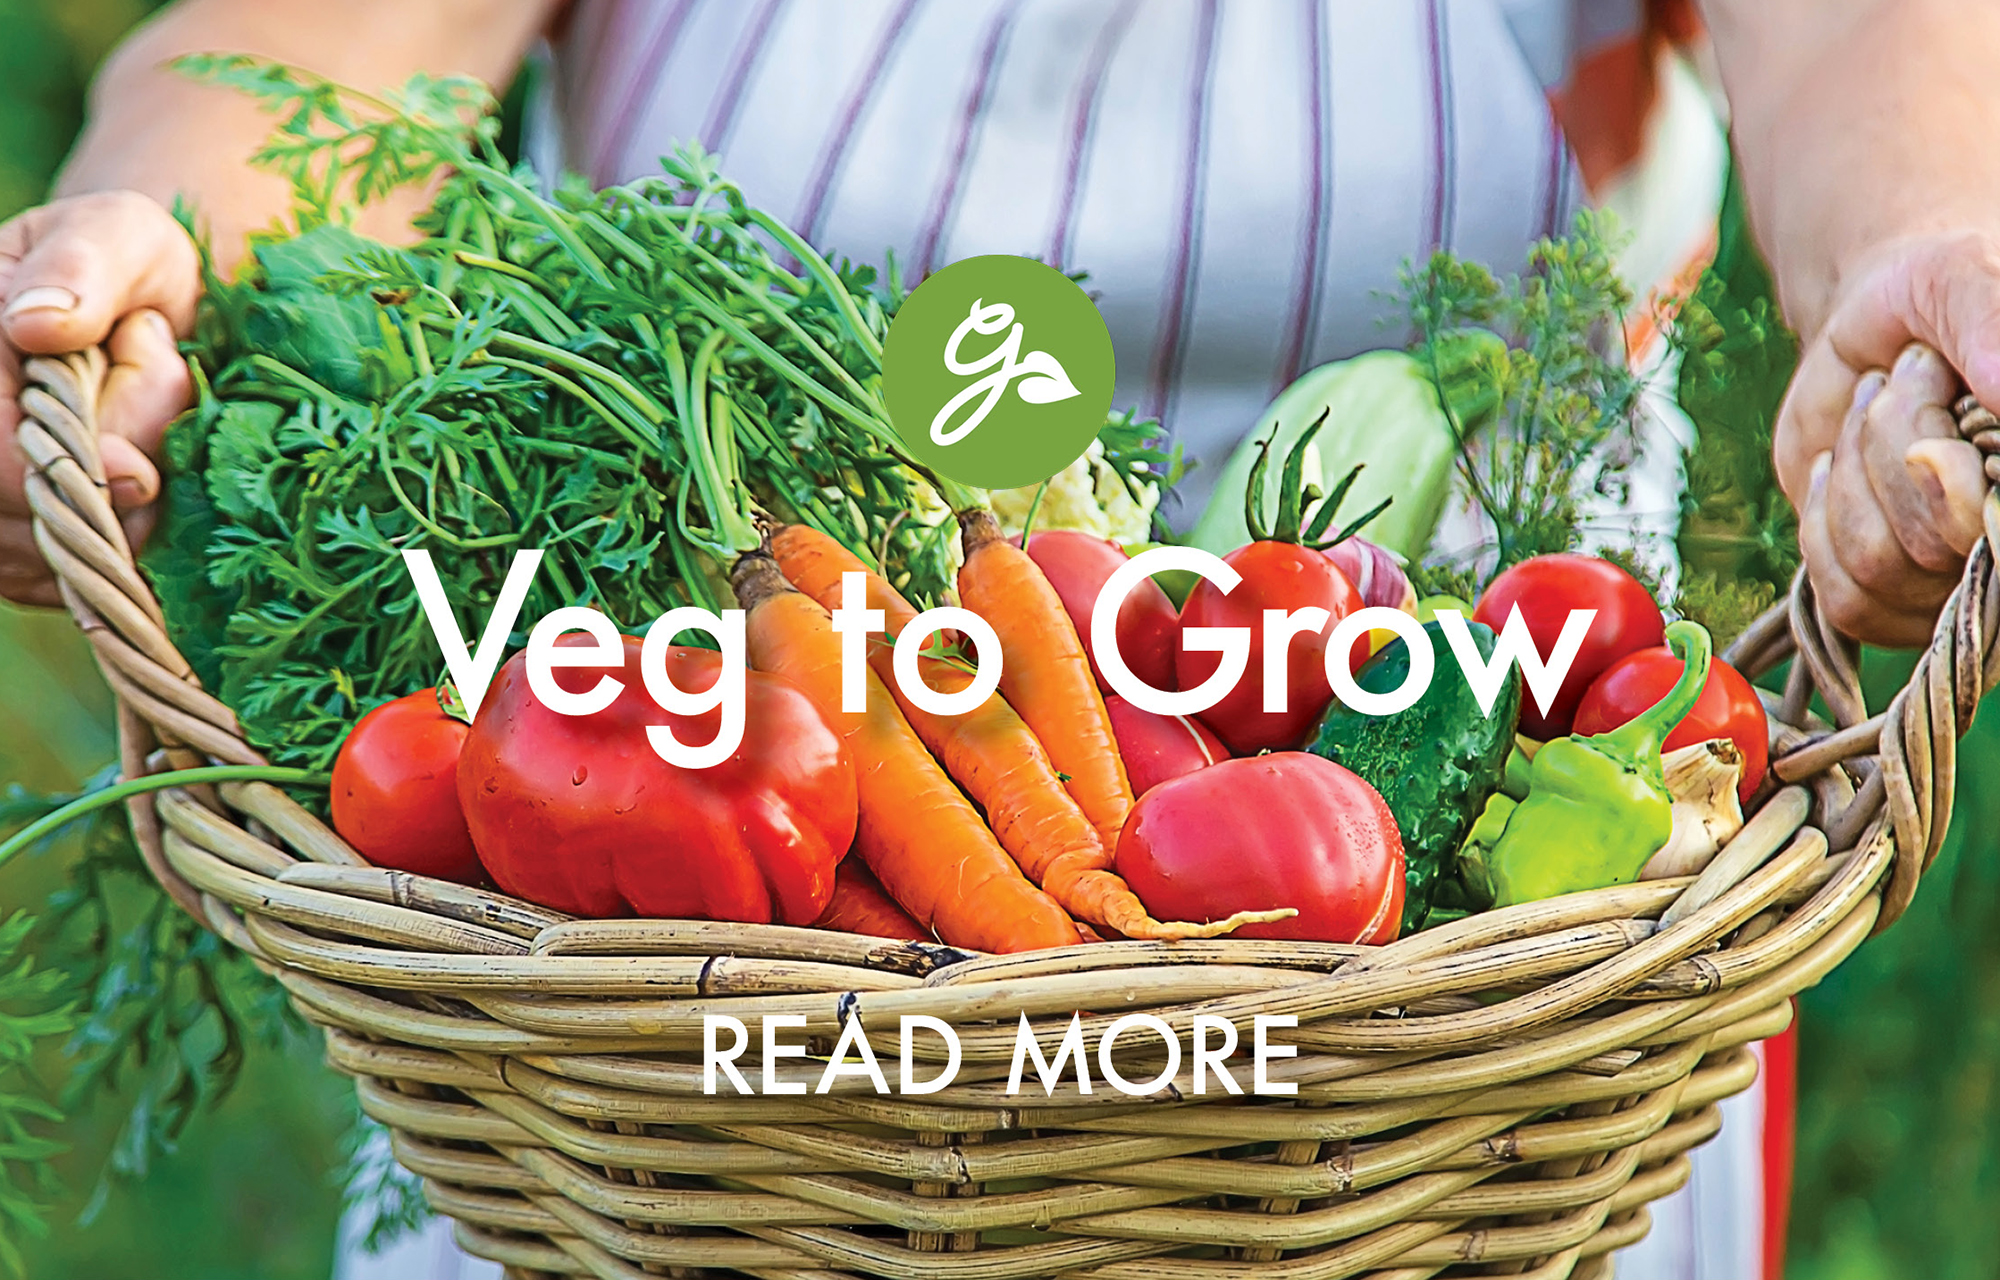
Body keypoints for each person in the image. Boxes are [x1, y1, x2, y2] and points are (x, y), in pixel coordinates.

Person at [0, 2, 1990, 1277]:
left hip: (1474, 1039)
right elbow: (294, 51)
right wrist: (132, 252)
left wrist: (1920, 282)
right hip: (678, 1043)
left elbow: (1871, 53)